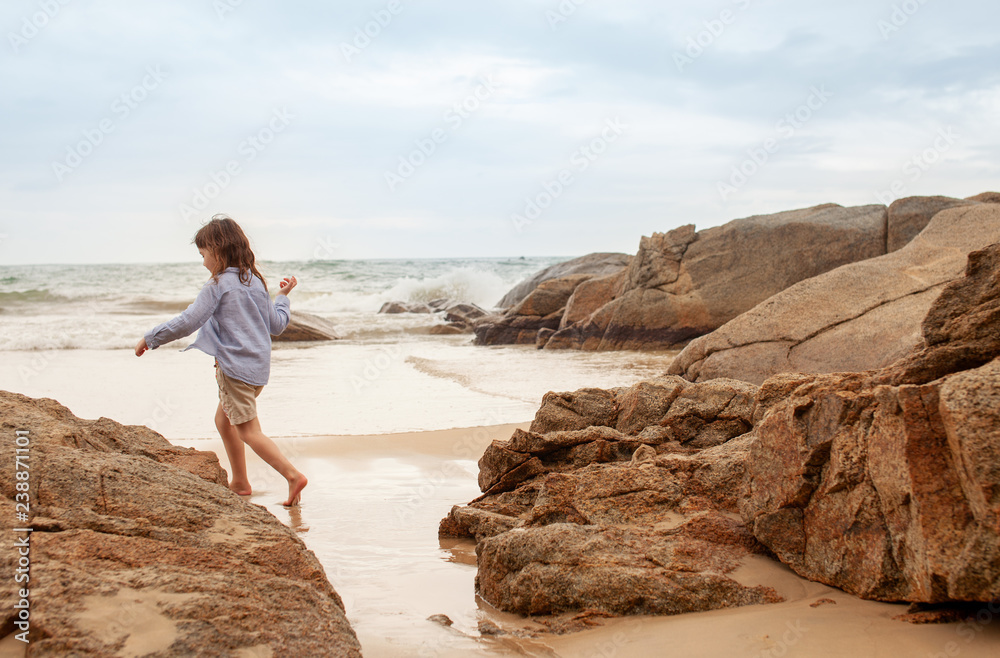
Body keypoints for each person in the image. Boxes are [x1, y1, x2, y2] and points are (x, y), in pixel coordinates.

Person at [135, 215, 307, 507]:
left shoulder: (217, 285)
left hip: (234, 370)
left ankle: (292, 476)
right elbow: (276, 325)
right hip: (258, 370)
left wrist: (151, 338)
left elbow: (190, 320)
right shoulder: (254, 282)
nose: (203, 262)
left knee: (248, 430)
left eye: (203, 255)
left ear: (218, 249)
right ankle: (240, 481)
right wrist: (283, 297)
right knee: (224, 420)